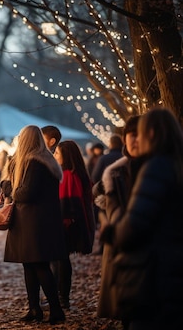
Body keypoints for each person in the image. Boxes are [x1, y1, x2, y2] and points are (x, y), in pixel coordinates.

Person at [111, 107, 183, 329]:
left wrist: (114, 234)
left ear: (151, 134)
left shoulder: (156, 167)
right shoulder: (176, 164)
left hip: (157, 271)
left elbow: (135, 224)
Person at [0, 125, 66, 325]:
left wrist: (6, 186)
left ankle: (55, 310)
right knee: (29, 265)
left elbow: (25, 193)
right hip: (34, 221)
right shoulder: (45, 161)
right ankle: (34, 308)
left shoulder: (34, 163)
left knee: (38, 265)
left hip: (33, 222)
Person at [93, 115, 142, 325]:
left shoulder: (161, 169)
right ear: (124, 139)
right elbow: (97, 191)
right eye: (132, 135)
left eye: (141, 134)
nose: (136, 140)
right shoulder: (114, 173)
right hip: (121, 247)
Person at [52, 140, 95, 309]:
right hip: (69, 223)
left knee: (61, 260)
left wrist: (64, 221)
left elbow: (68, 202)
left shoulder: (68, 175)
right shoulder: (73, 173)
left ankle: (62, 297)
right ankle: (61, 296)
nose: (54, 155)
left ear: (66, 156)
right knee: (62, 260)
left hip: (65, 224)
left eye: (57, 153)